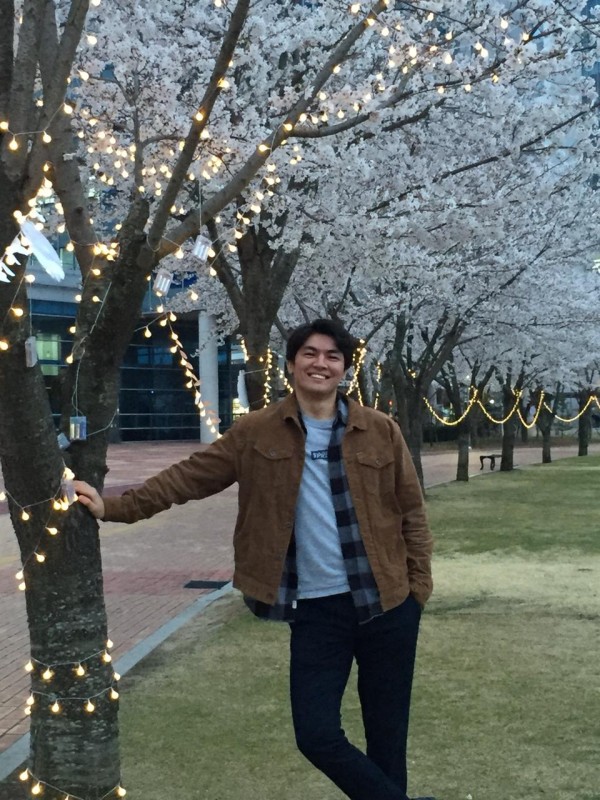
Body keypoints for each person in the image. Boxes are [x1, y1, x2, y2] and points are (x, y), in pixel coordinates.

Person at [75, 318, 435, 800]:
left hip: (387, 604)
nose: (321, 363)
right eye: (310, 353)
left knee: (388, 736)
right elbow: (188, 478)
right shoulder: (257, 431)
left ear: (345, 369)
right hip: (316, 610)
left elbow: (412, 511)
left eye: (332, 356)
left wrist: (417, 591)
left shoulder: (380, 431)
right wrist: (114, 507)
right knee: (316, 735)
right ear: (291, 364)